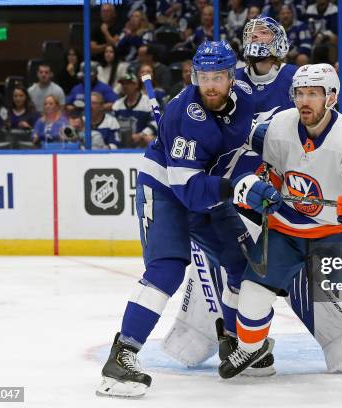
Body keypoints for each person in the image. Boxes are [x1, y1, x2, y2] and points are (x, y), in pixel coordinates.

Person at [218, 63, 342, 385]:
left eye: (313, 93)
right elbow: (264, 168)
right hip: (286, 229)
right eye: (299, 93)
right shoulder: (280, 126)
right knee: (253, 294)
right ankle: (248, 348)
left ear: (332, 97)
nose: (304, 101)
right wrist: (258, 186)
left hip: (336, 231)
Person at [97, 41, 273, 399]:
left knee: (242, 263)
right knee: (167, 268)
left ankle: (234, 341)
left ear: (231, 77)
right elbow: (188, 190)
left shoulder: (245, 103)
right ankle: (122, 356)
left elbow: (239, 156)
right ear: (195, 76)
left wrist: (253, 180)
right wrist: (237, 188)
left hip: (205, 187)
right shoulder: (184, 116)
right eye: (204, 77)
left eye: (219, 77)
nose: (211, 85)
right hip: (165, 189)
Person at [234, 16, 342, 374]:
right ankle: (241, 344)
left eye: (266, 33)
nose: (258, 39)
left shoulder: (293, 80)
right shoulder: (228, 79)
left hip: (289, 197)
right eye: (253, 33)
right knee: (233, 270)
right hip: (240, 187)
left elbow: (315, 130)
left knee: (300, 278)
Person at [112, 72, 157, 147]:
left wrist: (141, 134)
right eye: (123, 84)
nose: (125, 86)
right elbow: (112, 125)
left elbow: (155, 123)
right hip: (123, 141)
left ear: (136, 85)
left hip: (142, 141)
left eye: (128, 83)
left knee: (149, 138)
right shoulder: (117, 104)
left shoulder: (148, 102)